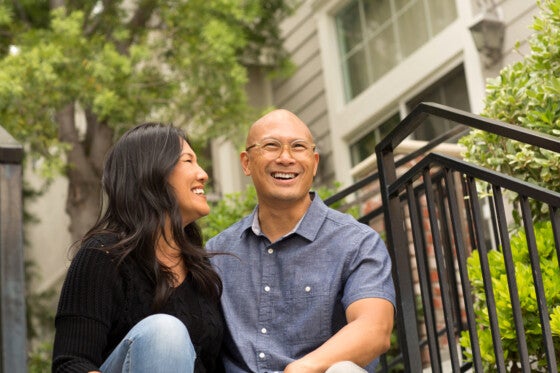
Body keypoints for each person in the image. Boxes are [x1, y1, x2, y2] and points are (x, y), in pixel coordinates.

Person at [207, 109, 396, 373]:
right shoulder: (217, 253)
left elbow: (375, 328)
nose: (286, 158)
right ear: (247, 162)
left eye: (298, 147)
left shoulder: (356, 242)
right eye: (271, 146)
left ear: (314, 162)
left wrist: (302, 369)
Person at [52, 122, 223, 373]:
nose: (203, 174)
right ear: (152, 172)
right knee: (164, 332)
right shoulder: (103, 255)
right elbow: (70, 364)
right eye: (188, 161)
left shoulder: (201, 269)